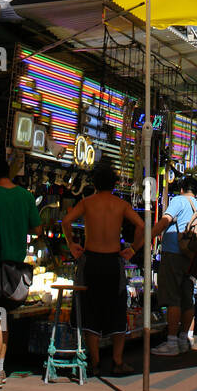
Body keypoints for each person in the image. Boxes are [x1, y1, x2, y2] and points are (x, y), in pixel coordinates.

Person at [61, 160, 145, 377]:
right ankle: (117, 361)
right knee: (117, 309)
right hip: (112, 262)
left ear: (95, 183)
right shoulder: (121, 205)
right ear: (114, 184)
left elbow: (66, 221)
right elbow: (142, 226)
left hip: (90, 261)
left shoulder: (87, 203)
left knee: (91, 308)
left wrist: (72, 244)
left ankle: (95, 361)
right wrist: (133, 248)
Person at [0, 156, 44, 388]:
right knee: (2, 317)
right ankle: (0, 367)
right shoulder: (25, 196)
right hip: (13, 270)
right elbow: (38, 227)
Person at [150, 177, 197, 356]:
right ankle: (184, 339)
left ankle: (171, 341)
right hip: (191, 257)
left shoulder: (178, 201)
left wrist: (149, 236)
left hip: (173, 253)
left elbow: (165, 221)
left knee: (172, 298)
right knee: (187, 298)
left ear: (181, 189)